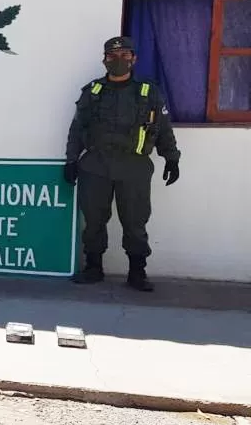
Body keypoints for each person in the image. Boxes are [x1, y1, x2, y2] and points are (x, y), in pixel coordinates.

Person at [64, 36, 181, 292]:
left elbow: (162, 128)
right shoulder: (93, 91)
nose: (118, 60)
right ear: (104, 60)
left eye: (125, 55)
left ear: (134, 59)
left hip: (134, 166)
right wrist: (71, 159)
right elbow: (77, 128)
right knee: (94, 220)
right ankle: (94, 267)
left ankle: (137, 272)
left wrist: (171, 157)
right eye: (112, 56)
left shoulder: (148, 92)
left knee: (135, 221)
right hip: (95, 165)